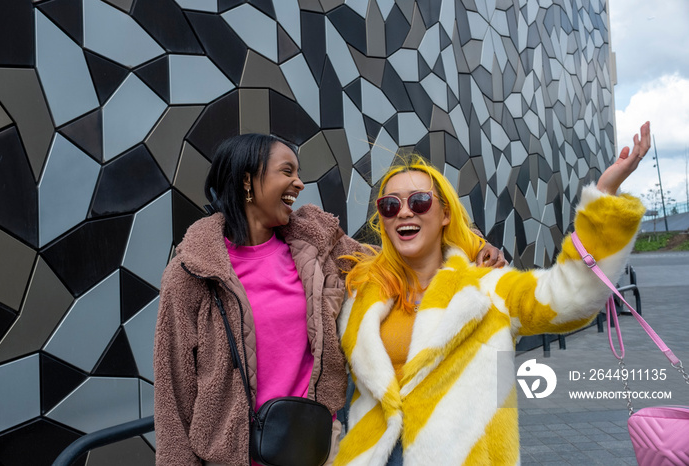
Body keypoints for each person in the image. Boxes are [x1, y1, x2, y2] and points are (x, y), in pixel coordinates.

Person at [153, 133, 505, 465]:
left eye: (298, 173)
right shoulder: (194, 271)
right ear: (247, 180)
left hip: (314, 447)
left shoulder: (317, 247)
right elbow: (173, 393)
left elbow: (398, 256)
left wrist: (471, 245)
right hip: (230, 455)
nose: (299, 183)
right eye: (286, 171)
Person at [334, 122, 651, 465]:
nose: (405, 211)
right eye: (390, 205)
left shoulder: (488, 287)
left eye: (420, 201)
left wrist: (604, 197)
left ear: (444, 214)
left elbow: (570, 296)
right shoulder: (362, 296)